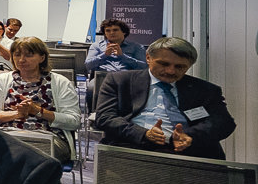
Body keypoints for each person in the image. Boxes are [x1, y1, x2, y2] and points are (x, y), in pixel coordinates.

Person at [93, 36, 236, 159]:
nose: (171, 71)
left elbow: (224, 122)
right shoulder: (120, 81)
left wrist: (190, 136)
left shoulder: (204, 90)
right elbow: (105, 117)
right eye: (164, 64)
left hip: (189, 152)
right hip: (132, 146)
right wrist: (143, 134)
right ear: (148, 58)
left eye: (180, 67)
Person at [0, 37, 81, 162]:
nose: (21, 60)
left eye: (29, 55)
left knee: (25, 157)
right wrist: (17, 114)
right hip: (8, 134)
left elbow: (74, 121)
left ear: (42, 58)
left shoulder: (60, 82)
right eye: (17, 55)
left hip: (46, 138)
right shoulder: (2, 80)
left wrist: (38, 111)